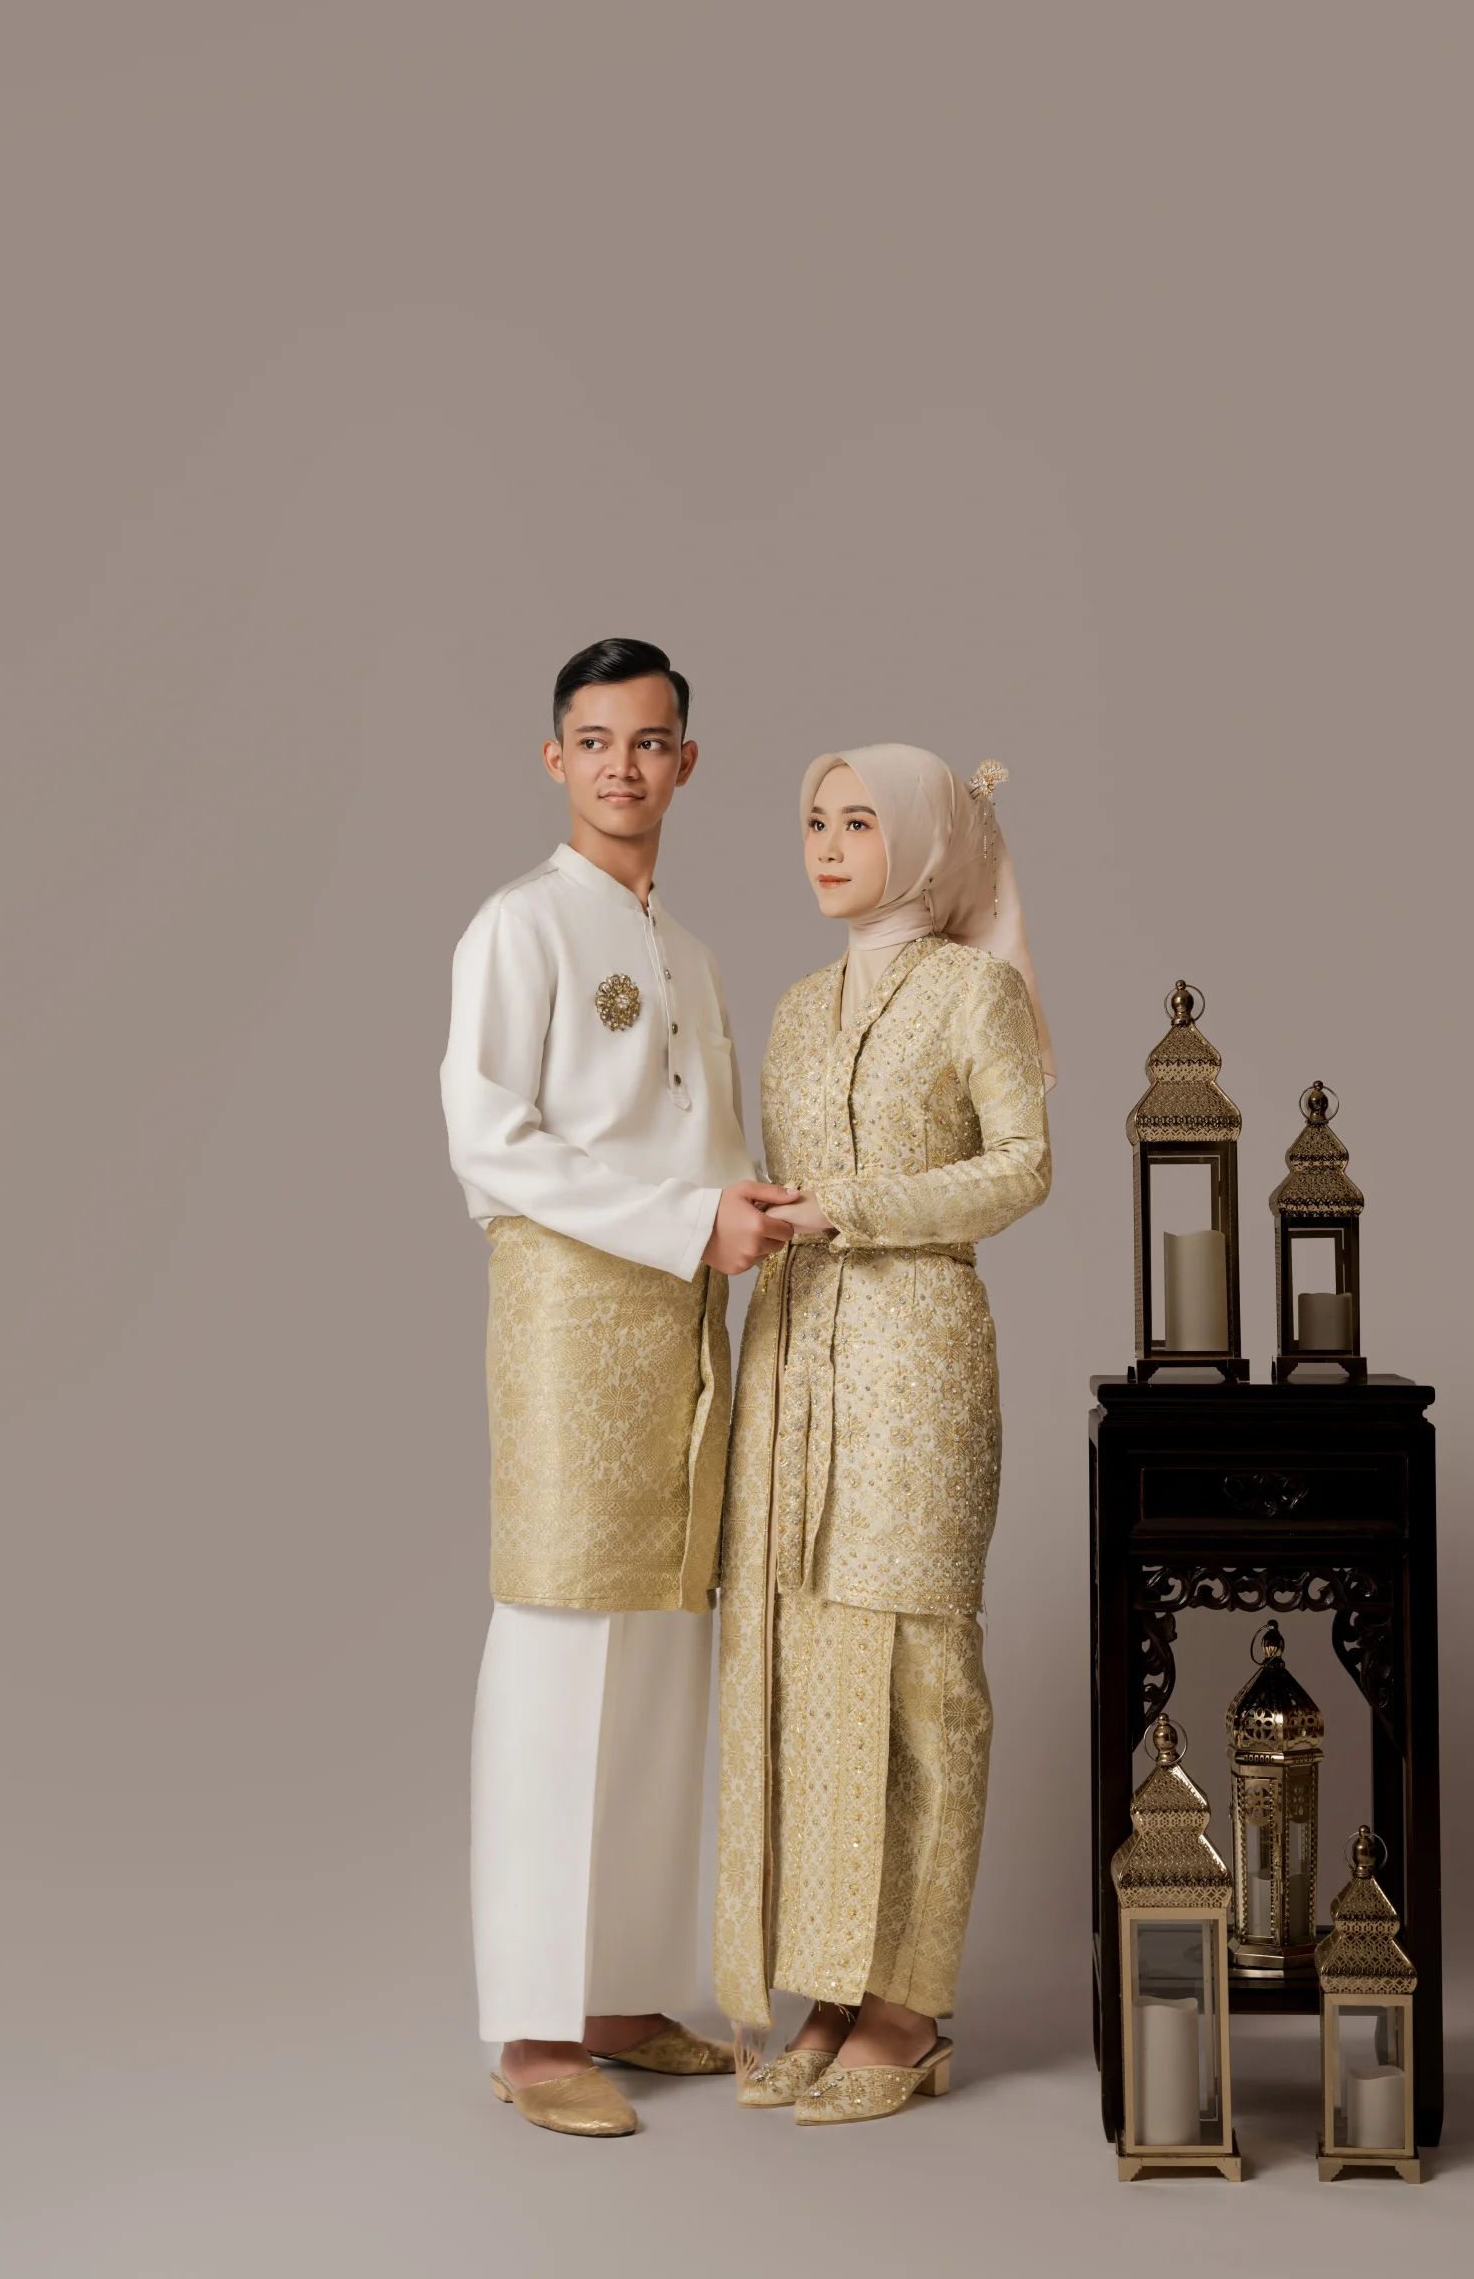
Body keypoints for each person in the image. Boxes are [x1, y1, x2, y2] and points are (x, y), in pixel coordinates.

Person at [440, 638, 802, 2140]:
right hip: (574, 1310)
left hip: (688, 1318)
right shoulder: (518, 926)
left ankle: (622, 1996)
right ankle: (533, 2032)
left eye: (649, 743)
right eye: (595, 742)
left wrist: (749, 1213)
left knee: (664, 1642)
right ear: (555, 759)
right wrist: (687, 1223)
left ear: (685, 762)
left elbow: (704, 1141)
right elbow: (488, 1141)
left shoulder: (693, 954)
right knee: (560, 1640)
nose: (622, 768)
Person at [713, 745, 1054, 2126]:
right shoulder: (798, 1008)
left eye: (860, 822)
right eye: (814, 820)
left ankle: (909, 2008)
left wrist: (848, 1207)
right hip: (793, 1355)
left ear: (921, 843)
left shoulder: (976, 991)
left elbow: (1023, 1166)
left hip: (916, 1357)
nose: (828, 844)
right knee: (808, 1660)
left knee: (918, 1671)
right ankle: (832, 1987)